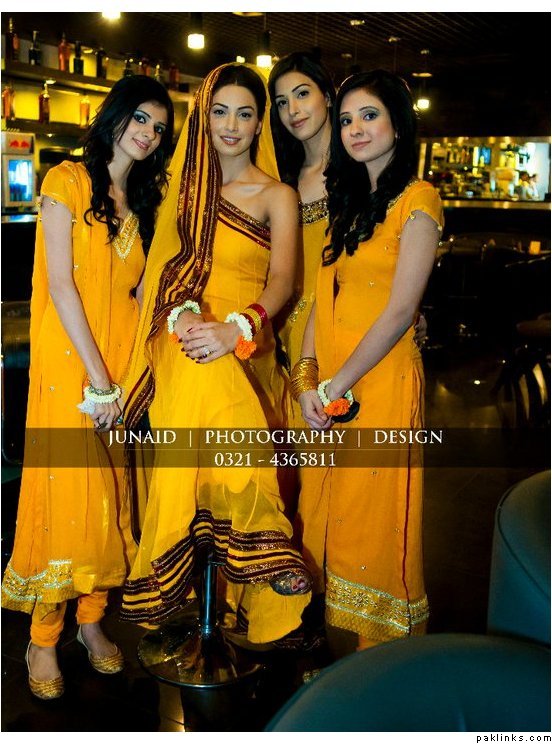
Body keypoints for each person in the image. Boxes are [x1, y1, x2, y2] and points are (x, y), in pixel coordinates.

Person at [119, 63, 311, 645]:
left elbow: (283, 282)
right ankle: (266, 542)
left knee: (219, 370)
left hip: (248, 340)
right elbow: (158, 277)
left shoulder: (278, 195)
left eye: (245, 114)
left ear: (259, 125)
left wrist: (235, 328)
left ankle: (185, 571)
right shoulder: (177, 194)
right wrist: (185, 319)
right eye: (220, 111)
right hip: (177, 336)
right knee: (205, 368)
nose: (231, 125)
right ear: (203, 118)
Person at [1, 75, 174, 699]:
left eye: (159, 127)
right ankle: (43, 637)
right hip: (71, 366)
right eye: (140, 118)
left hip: (122, 367)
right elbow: (60, 284)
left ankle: (92, 621)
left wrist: (132, 375)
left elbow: (140, 292)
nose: (148, 133)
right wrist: (99, 381)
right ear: (115, 115)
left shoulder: (146, 202)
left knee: (111, 494)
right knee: (66, 495)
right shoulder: (66, 181)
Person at [292, 70, 443, 653]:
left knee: (375, 519)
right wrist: (308, 378)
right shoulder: (349, 204)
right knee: (330, 511)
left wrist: (336, 386)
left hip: (378, 382)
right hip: (332, 383)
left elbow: (402, 310)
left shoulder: (419, 200)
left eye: (370, 115)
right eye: (347, 119)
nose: (355, 129)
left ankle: (380, 663)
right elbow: (320, 298)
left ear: (398, 125)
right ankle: (340, 653)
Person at [268, 52, 427, 428]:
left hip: (346, 335)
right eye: (282, 102)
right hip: (283, 330)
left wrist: (411, 310)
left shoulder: (362, 176)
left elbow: (387, 260)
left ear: (327, 96)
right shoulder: (278, 177)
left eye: (302, 94)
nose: (293, 110)